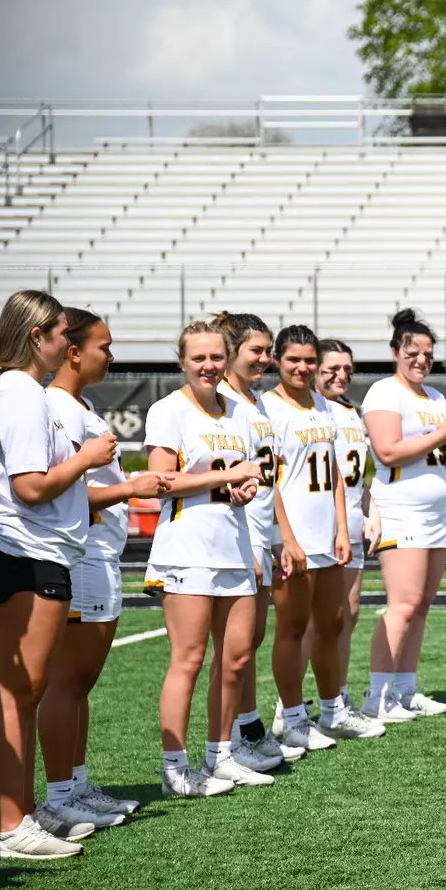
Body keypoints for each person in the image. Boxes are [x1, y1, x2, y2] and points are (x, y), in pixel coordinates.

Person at [0, 293, 114, 860]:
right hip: (25, 549)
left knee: (23, 693)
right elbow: (30, 487)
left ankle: (20, 817)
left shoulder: (21, 390)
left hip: (37, 550)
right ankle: (13, 824)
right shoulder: (20, 390)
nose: (68, 343)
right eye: (62, 332)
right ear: (37, 336)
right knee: (18, 694)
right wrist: (87, 458)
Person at [39, 309, 169, 833]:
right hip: (82, 553)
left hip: (99, 553)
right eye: (103, 346)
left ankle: (76, 784)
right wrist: (129, 489)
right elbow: (57, 489)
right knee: (66, 684)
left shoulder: (81, 406)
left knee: (79, 685)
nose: (110, 356)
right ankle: (56, 798)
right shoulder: (59, 407)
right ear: (74, 351)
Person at [145, 321, 267, 796]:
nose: (209, 366)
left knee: (235, 657)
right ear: (182, 361)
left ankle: (222, 755)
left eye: (216, 357)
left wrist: (243, 486)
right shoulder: (167, 410)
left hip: (233, 542)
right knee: (190, 659)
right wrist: (227, 475)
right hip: (188, 546)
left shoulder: (237, 410)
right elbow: (160, 482)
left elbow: (237, 475)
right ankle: (175, 769)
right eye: (198, 358)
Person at [263, 325, 379, 751]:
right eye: (293, 359)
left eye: (309, 360)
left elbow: (332, 473)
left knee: (332, 625)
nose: (302, 367)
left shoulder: (324, 407)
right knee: (293, 628)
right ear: (277, 359)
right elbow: (269, 479)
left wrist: (343, 530)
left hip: (327, 534)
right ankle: (292, 717)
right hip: (294, 536)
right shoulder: (267, 407)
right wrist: (287, 538)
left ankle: (332, 709)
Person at [363, 309, 446, 721]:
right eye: (413, 352)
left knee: (423, 605)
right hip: (400, 509)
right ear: (395, 351)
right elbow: (388, 451)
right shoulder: (383, 392)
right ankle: (377, 695)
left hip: (433, 515)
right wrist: (440, 435)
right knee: (404, 604)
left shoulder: (435, 396)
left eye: (428, 353)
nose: (421, 360)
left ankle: (406, 688)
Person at [213, 313, 291, 774]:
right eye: (255, 351)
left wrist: (277, 538)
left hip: (259, 530)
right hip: (234, 533)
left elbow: (269, 480)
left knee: (250, 640)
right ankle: (231, 739)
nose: (265, 359)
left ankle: (247, 726)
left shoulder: (257, 401)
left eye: (267, 351)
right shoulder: (222, 403)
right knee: (235, 645)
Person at [304, 339, 381, 728]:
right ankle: (295, 708)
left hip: (350, 523)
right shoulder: (311, 410)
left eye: (347, 369)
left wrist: (372, 512)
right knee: (310, 621)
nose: (341, 376)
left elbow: (358, 476)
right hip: (318, 526)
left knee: (347, 616)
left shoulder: (352, 411)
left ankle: (339, 696)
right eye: (331, 368)